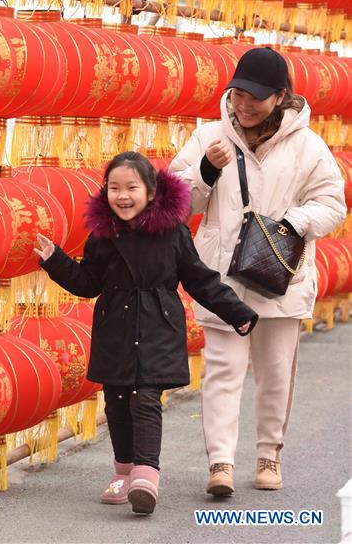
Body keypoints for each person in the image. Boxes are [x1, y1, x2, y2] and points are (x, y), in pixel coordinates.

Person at [34, 151, 258, 515]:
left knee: (145, 400)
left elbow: (200, 279)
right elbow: (88, 283)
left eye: (131, 188)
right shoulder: (102, 237)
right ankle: (123, 473)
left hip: (157, 328)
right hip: (115, 331)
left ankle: (146, 474)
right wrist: (56, 261)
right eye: (114, 188)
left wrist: (237, 312)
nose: (122, 196)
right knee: (117, 403)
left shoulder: (172, 233)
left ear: (151, 192)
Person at [169, 46, 346, 496]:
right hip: (221, 279)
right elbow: (175, 204)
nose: (244, 105)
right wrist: (206, 170)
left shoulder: (308, 146)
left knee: (275, 372)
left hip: (279, 277)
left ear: (280, 97)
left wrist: (293, 223)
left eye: (256, 97)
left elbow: (332, 206)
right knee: (223, 371)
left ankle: (269, 455)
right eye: (238, 94)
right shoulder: (208, 136)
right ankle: (221, 465)